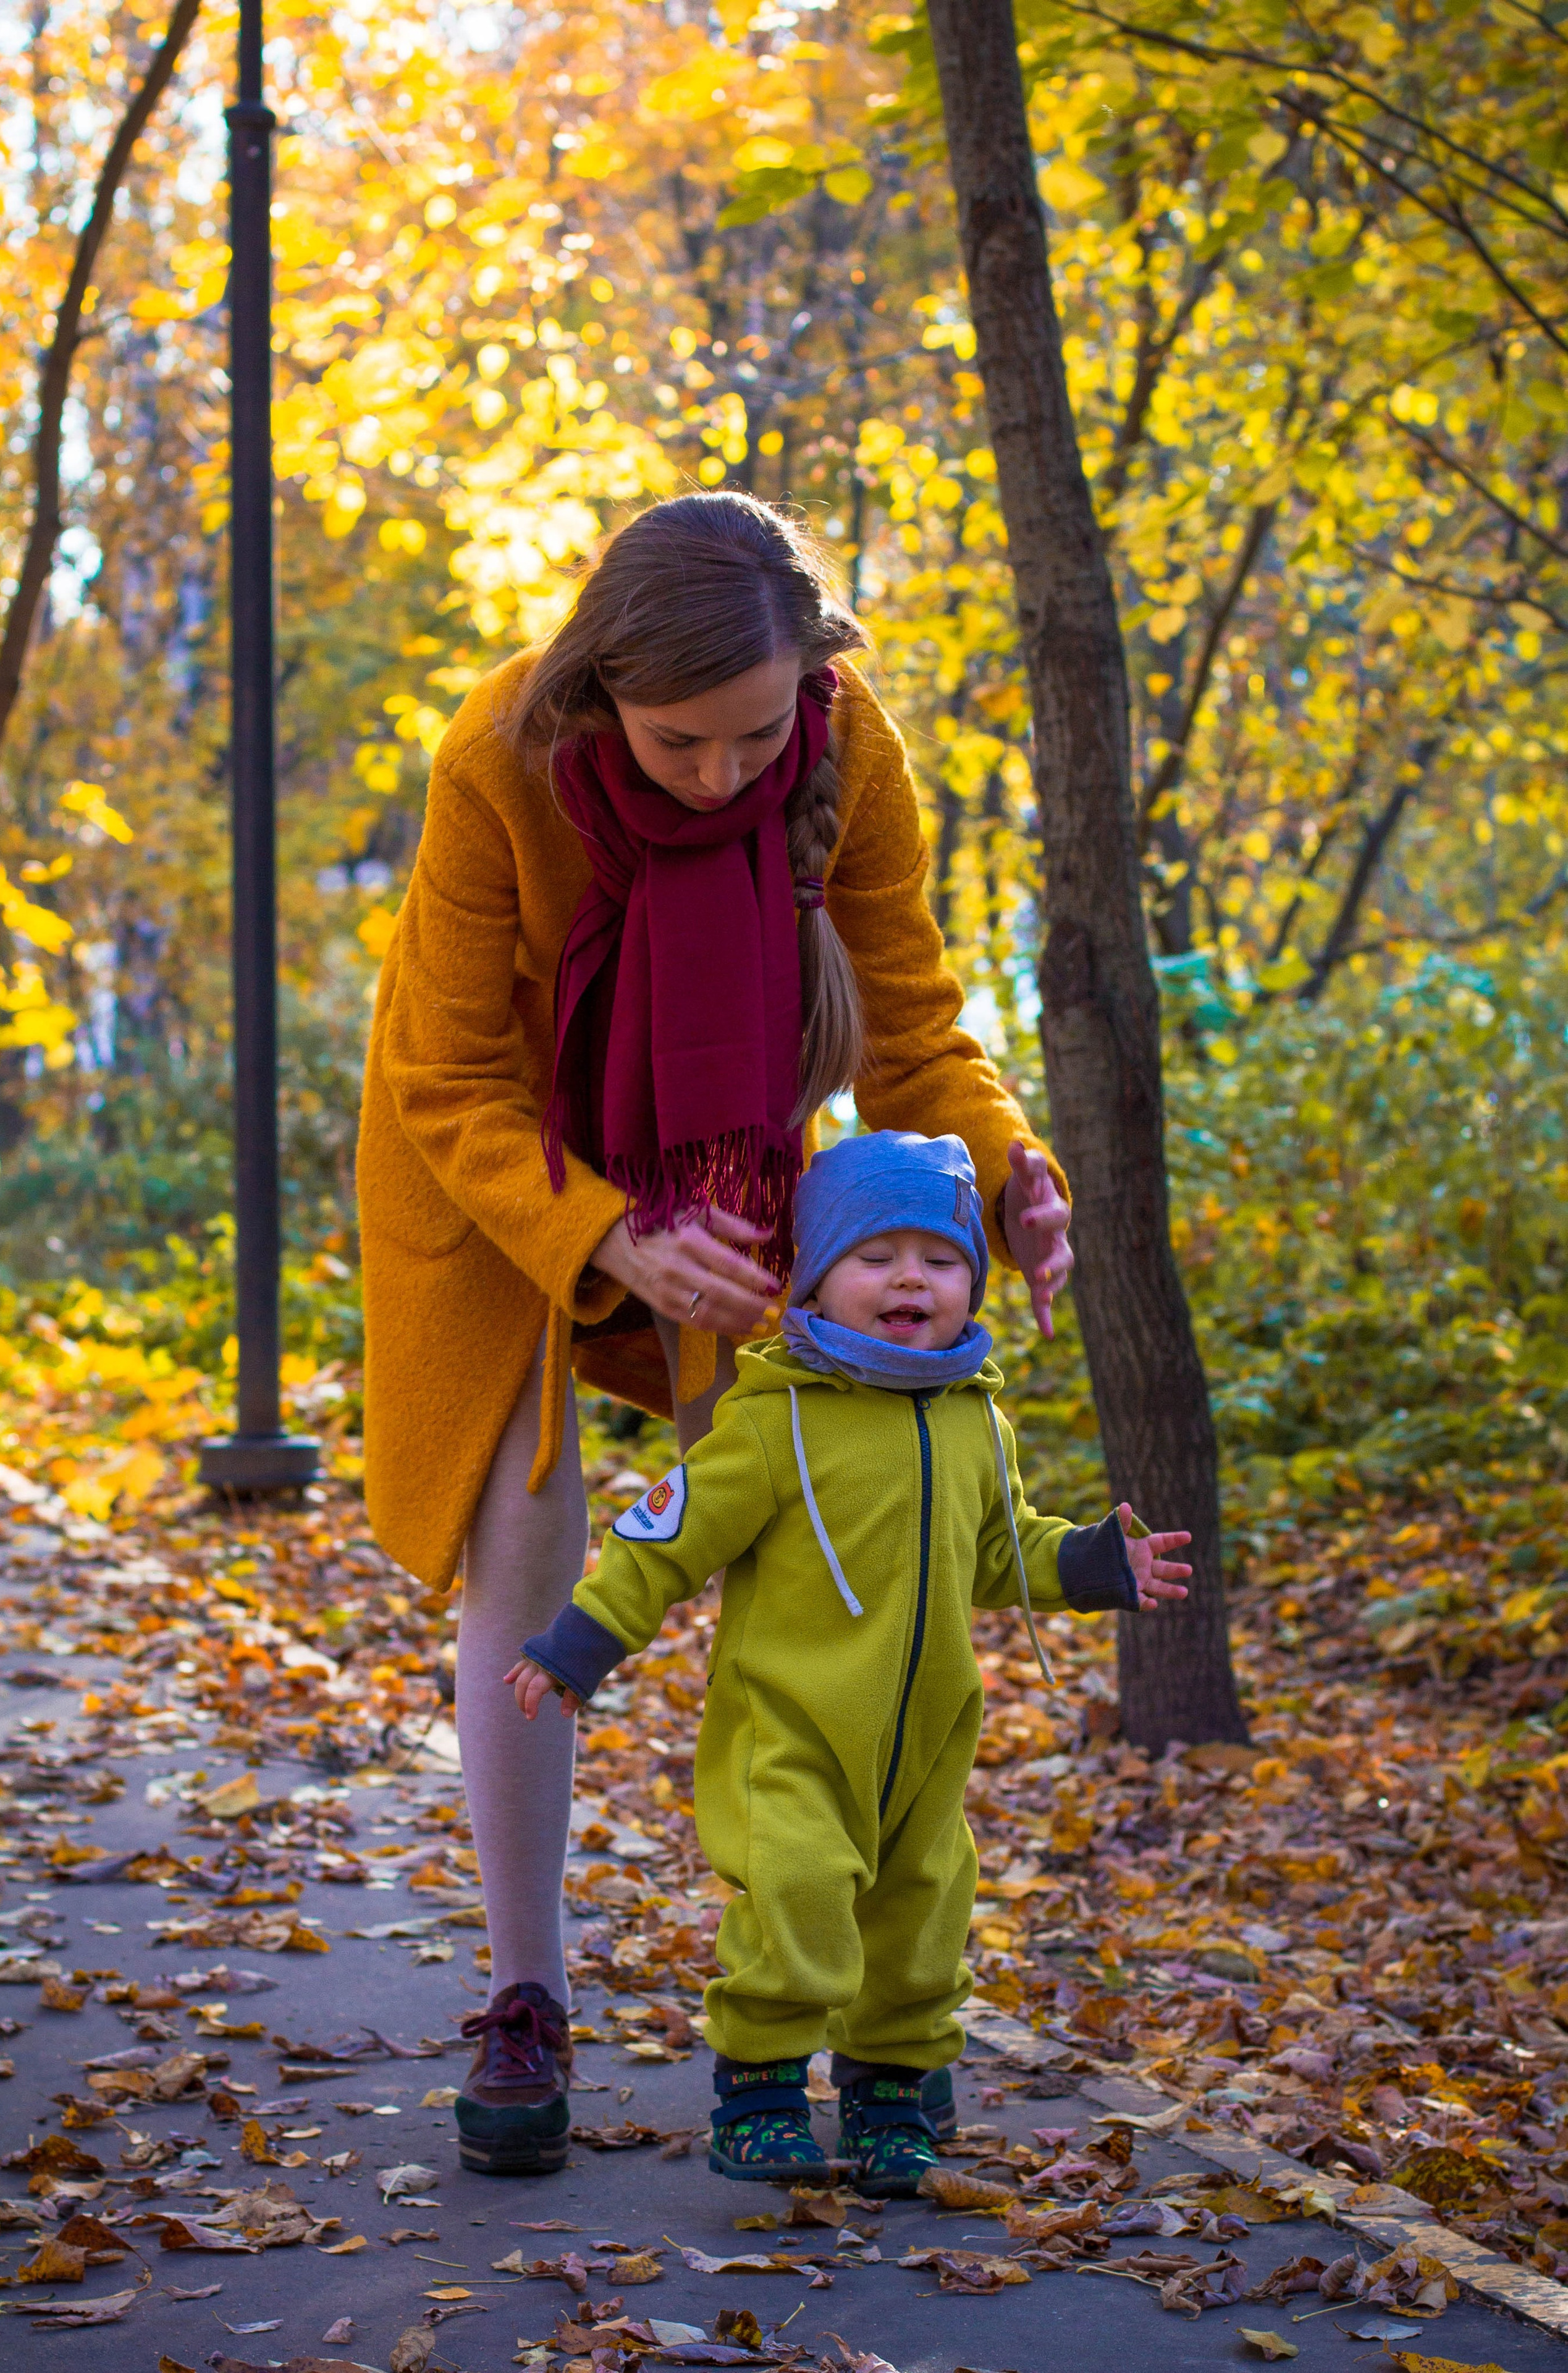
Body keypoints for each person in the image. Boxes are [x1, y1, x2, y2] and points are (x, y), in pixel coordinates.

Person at [355, 492, 1078, 2180]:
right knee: (525, 1506)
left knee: (787, 1501)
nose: (716, 776)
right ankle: (527, 1995)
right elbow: (446, 1075)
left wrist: (1007, 1171)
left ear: (811, 684)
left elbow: (910, 1023)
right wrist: (608, 1234)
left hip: (730, 1133)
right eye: (678, 741)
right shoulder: (498, 756)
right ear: (601, 693)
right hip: (495, 1157)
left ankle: (812, 1985)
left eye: (754, 737)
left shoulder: (846, 745)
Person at [509, 1132, 1192, 2196]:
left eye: (942, 1256)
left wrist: (1103, 1561)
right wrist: (580, 1643)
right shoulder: (774, 1419)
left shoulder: (977, 1422)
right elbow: (667, 1539)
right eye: (876, 1255)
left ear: (974, 1281)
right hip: (796, 1735)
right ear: (816, 1275)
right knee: (799, 1892)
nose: (911, 1277)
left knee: (924, 1916)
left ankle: (890, 2094)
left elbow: (1004, 1548)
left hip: (922, 1751)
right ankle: (765, 2089)